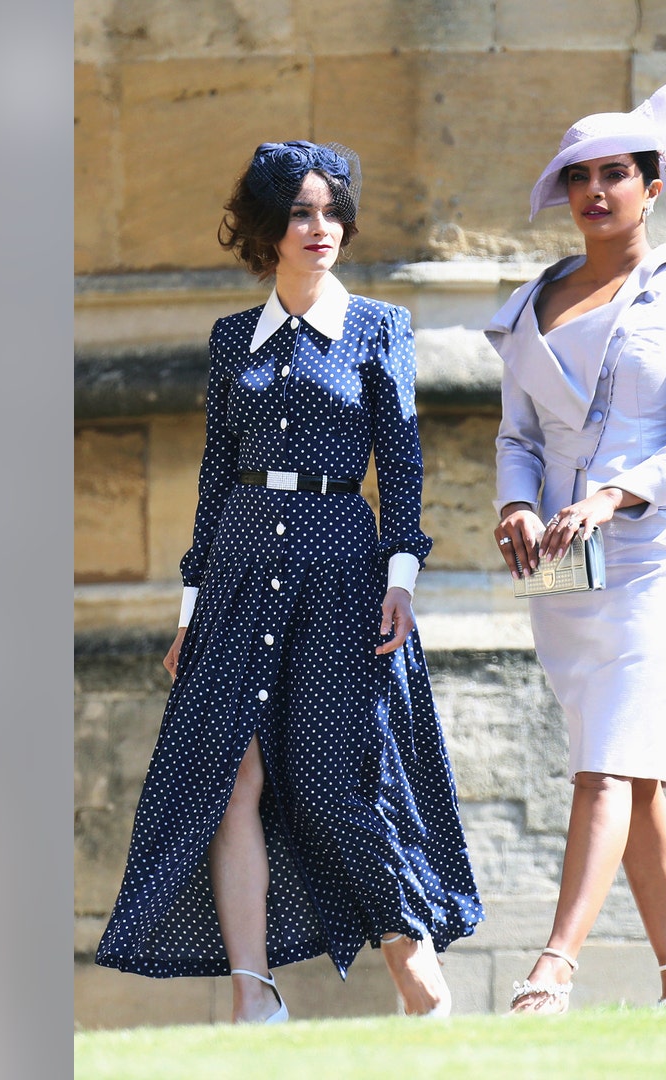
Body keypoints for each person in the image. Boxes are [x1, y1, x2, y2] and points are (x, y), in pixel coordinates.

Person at [94, 140, 481, 1023]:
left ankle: (413, 967)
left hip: (343, 569)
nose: (321, 228)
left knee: (344, 776)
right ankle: (251, 993)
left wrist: (403, 576)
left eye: (332, 210)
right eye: (302, 213)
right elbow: (211, 482)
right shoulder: (233, 339)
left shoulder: (379, 327)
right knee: (230, 775)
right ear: (268, 230)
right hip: (237, 573)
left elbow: (406, 469)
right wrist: (190, 607)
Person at [485, 65, 666, 1013]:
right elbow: (515, 438)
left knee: (604, 762)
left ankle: (553, 968)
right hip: (556, 562)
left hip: (656, 552)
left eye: (615, 175)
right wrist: (517, 505)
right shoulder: (528, 302)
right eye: (580, 178)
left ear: (653, 185)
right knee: (624, 755)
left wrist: (615, 494)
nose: (595, 192)